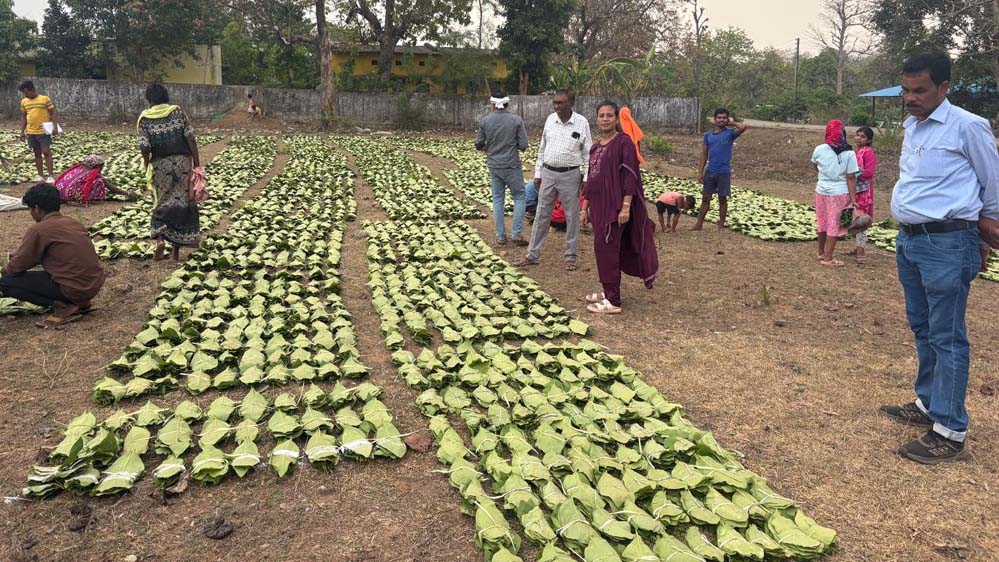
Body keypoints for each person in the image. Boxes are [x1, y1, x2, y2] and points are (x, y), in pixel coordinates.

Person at [879, 52, 999, 464]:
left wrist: (985, 231)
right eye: (905, 91)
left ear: (944, 88)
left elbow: (992, 181)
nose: (910, 98)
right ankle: (929, 402)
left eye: (920, 90)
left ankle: (949, 431)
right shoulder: (913, 125)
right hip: (911, 241)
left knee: (946, 335)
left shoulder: (968, 126)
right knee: (923, 326)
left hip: (947, 242)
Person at [579, 100, 658, 314]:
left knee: (608, 250)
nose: (605, 119)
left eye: (609, 115)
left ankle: (613, 301)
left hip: (614, 208)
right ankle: (608, 290)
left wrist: (626, 207)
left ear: (616, 119)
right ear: (596, 119)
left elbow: (631, 176)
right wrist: (584, 208)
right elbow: (591, 180)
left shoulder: (623, 142)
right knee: (602, 250)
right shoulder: (595, 147)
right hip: (598, 208)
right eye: (601, 115)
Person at [0, 183, 105, 326]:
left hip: (73, 288)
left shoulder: (39, 230)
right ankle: (80, 302)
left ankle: (63, 306)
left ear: (37, 208)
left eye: (30, 209)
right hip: (93, 285)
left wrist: (6, 268)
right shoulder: (73, 223)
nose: (31, 213)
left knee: (6, 282)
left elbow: (17, 266)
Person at [516, 91, 591, 270]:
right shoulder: (550, 120)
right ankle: (532, 254)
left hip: (570, 174)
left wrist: (587, 177)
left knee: (572, 216)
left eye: (561, 103)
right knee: (541, 214)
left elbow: (588, 154)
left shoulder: (582, 123)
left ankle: (570, 256)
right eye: (555, 103)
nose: (557, 106)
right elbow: (542, 149)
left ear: (571, 103)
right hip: (548, 173)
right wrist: (538, 173)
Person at [137, 84, 202, 261]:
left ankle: (160, 240)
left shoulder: (145, 118)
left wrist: (147, 164)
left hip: (160, 165)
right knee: (181, 203)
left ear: (149, 100)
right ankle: (175, 253)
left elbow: (144, 146)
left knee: (162, 203)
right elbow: (190, 138)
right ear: (166, 97)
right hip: (182, 164)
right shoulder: (177, 112)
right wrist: (197, 164)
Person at [475, 91, 529, 246]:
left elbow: (478, 144)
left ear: (493, 104)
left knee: (498, 199)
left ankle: (500, 236)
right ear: (507, 103)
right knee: (519, 197)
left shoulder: (485, 121)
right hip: (512, 165)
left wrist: (489, 148)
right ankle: (516, 234)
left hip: (494, 165)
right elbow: (523, 145)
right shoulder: (516, 120)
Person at [810, 120, 858, 267]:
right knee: (834, 225)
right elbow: (851, 177)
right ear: (842, 133)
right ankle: (828, 258)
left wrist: (825, 176)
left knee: (822, 222)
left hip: (821, 191)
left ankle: (821, 252)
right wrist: (853, 199)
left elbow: (815, 165)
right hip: (839, 193)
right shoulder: (849, 153)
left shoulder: (819, 149)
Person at [693, 108, 747, 230]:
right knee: (706, 198)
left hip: (724, 172)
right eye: (719, 118)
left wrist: (732, 122)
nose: (721, 120)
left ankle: (721, 226)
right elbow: (704, 154)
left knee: (722, 199)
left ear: (727, 119)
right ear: (715, 119)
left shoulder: (730, 134)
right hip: (710, 171)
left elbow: (743, 127)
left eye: (724, 118)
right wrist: (700, 172)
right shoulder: (708, 135)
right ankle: (699, 224)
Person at [54, 155, 140, 205]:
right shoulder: (94, 174)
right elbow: (111, 188)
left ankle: (69, 198)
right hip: (68, 195)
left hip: (58, 193)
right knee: (99, 181)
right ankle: (89, 200)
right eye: (102, 166)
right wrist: (128, 193)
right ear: (98, 166)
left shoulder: (78, 169)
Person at [18, 80, 59, 183]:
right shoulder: (24, 101)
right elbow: (24, 117)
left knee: (46, 152)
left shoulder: (45, 99)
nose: (25, 95)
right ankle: (40, 175)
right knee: (37, 153)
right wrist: (22, 132)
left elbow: (53, 113)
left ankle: (50, 175)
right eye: (24, 93)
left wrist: (55, 127)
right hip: (31, 132)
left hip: (43, 131)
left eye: (26, 92)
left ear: (32, 90)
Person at [848, 127, 877, 263]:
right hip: (855, 190)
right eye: (857, 135)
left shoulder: (868, 153)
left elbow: (869, 172)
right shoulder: (856, 152)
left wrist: (853, 176)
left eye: (862, 136)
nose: (858, 138)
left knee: (862, 219)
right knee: (854, 218)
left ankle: (861, 252)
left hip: (864, 192)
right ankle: (858, 247)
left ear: (869, 140)